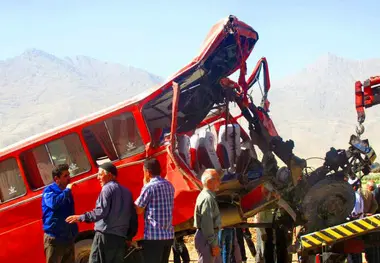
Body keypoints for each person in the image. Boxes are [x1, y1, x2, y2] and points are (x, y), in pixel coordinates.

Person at [66, 162, 137, 263]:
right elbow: (133, 217)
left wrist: (80, 217)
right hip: (120, 238)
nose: (97, 178)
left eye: (100, 174)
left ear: (109, 175)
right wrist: (129, 236)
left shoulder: (107, 189)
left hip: (105, 236)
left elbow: (100, 212)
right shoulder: (127, 192)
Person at [135, 158, 175, 263]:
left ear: (147, 172)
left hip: (154, 236)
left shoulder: (149, 187)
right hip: (168, 235)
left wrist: (144, 185)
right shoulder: (169, 185)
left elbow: (138, 210)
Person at [42, 164, 78, 263]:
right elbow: (54, 203)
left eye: (69, 175)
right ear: (56, 179)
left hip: (68, 238)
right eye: (65, 176)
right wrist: (67, 190)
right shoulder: (49, 191)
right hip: (55, 238)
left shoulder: (66, 192)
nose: (69, 178)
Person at [194, 169, 222, 263]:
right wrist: (213, 244)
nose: (220, 182)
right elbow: (207, 224)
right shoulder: (207, 199)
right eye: (217, 179)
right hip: (207, 238)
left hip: (208, 237)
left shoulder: (208, 196)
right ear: (209, 182)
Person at [347, 177, 364, 263]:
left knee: (352, 252)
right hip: (358, 227)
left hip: (352, 226)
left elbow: (354, 213)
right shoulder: (358, 196)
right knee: (357, 251)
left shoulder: (353, 196)